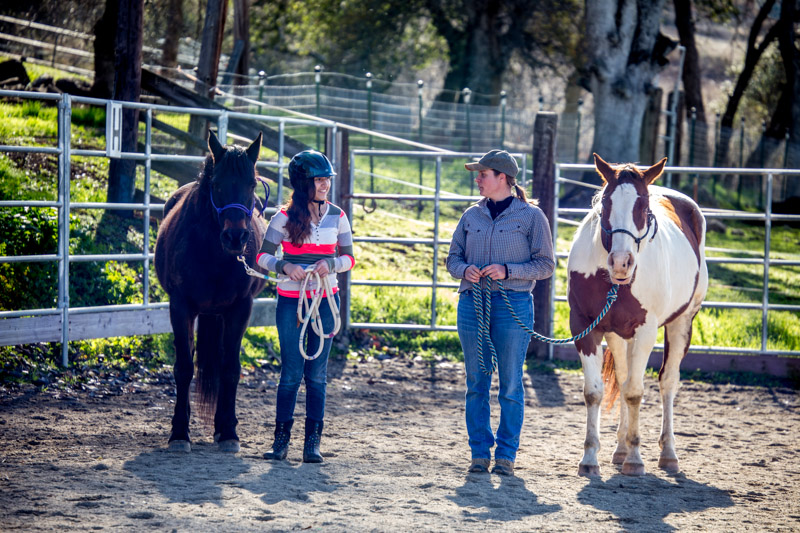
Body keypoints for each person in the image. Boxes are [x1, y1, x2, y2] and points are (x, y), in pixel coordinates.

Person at [446, 149, 555, 476]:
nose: (477, 179)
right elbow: (453, 259)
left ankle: (506, 455)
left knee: (510, 382)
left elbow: (546, 264)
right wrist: (465, 270)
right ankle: (479, 453)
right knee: (476, 381)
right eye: (478, 174)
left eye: (483, 174)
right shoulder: (471, 216)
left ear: (503, 178)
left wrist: (508, 270)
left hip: (513, 306)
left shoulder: (532, 217)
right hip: (472, 305)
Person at [257, 150, 355, 463]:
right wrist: (284, 267)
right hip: (290, 303)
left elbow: (350, 258)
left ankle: (312, 443)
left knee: (316, 374)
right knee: (290, 373)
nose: (325, 185)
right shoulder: (282, 219)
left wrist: (331, 263)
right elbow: (262, 256)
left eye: (327, 179)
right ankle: (280, 441)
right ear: (303, 184)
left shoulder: (338, 216)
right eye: (319, 180)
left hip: (325, 302)